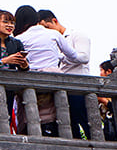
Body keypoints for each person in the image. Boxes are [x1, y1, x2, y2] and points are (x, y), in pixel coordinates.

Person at [13, 5, 85, 136]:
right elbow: (74, 56)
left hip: (31, 79)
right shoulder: (53, 34)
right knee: (58, 114)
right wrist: (58, 57)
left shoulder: (19, 38)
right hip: (54, 79)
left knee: (32, 115)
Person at [38, 8, 92, 139]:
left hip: (79, 85)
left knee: (85, 120)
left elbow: (84, 57)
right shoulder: (51, 42)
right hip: (61, 88)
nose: (46, 32)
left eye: (47, 27)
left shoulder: (77, 35)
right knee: (69, 122)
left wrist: (61, 57)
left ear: (54, 21)